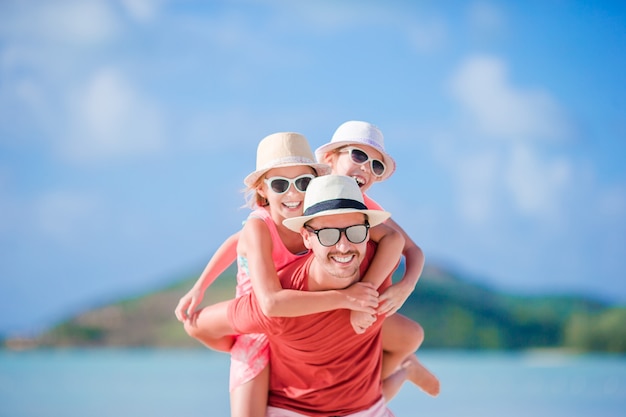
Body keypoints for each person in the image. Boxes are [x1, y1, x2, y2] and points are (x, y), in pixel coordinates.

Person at [177, 132, 405, 417]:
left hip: (299, 315)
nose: (294, 192)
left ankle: (399, 374)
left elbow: (394, 239)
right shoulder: (259, 226)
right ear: (262, 190)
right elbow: (268, 300)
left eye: (303, 182)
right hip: (260, 314)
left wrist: (381, 288)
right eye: (281, 184)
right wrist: (200, 287)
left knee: (402, 342)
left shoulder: (320, 217)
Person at [315, 120, 440, 396]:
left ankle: (401, 369)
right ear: (329, 158)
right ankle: (403, 369)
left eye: (376, 165)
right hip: (327, 308)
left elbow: (414, 250)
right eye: (359, 155)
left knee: (410, 338)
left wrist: (405, 288)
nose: (366, 168)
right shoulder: (310, 197)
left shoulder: (368, 207)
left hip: (359, 309)